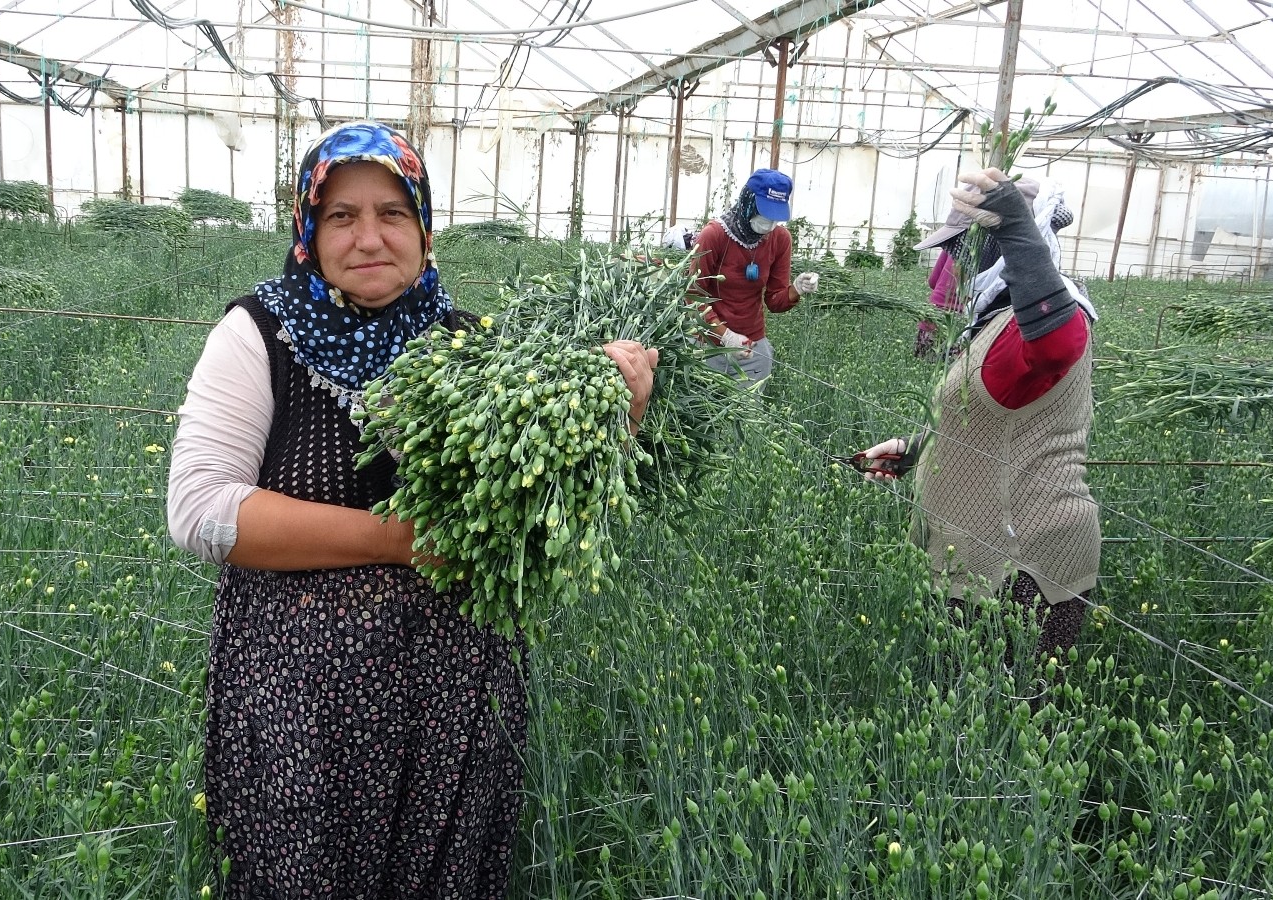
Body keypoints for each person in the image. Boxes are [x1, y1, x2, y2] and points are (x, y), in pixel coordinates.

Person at [166, 121, 658, 899]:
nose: (369, 237)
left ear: (425, 229)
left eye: (392, 213)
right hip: (302, 705)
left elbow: (533, 528)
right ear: (308, 229)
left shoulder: (474, 346)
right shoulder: (259, 335)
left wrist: (608, 421)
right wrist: (398, 541)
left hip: (455, 705)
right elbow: (200, 509)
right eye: (342, 215)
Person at [858, 168, 1100, 696]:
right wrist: (917, 451)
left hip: (1022, 567)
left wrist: (1017, 232)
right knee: (964, 715)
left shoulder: (1049, 320)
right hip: (977, 556)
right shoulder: (994, 318)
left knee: (1006, 719)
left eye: (965, 248)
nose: (954, 264)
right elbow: (995, 422)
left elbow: (1056, 345)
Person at [690, 168, 819, 387]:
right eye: (764, 214)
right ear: (747, 201)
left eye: (775, 217)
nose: (769, 224)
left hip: (752, 349)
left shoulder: (780, 240)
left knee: (748, 408)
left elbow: (775, 301)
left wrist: (795, 289)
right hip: (708, 347)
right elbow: (693, 295)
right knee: (703, 406)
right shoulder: (714, 235)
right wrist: (725, 336)